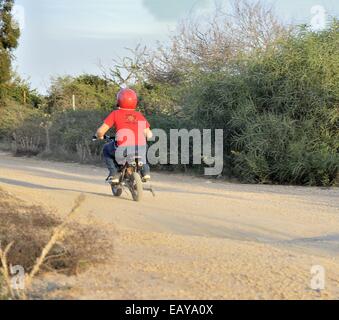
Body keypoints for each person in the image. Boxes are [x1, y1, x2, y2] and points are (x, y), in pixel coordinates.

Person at [96, 88, 153, 184]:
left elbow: (101, 131)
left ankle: (114, 174)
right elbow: (149, 134)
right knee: (142, 155)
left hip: (123, 148)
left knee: (106, 149)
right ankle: (145, 171)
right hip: (140, 147)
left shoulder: (115, 114)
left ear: (119, 101)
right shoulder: (138, 115)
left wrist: (99, 135)